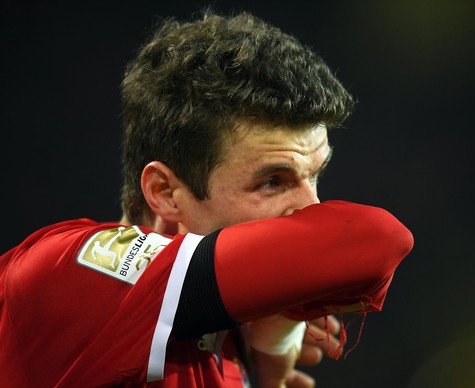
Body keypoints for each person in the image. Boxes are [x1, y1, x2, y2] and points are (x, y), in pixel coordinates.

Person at [0, 10, 413, 388]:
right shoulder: (74, 275)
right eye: (272, 181)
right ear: (165, 193)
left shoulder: (230, 340)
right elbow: (376, 238)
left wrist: (273, 346)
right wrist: (287, 319)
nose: (313, 211)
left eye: (314, 176)